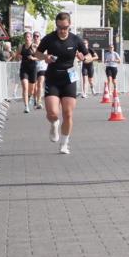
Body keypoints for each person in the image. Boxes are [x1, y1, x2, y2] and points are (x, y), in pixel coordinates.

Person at [33, 12, 92, 154]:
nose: (62, 30)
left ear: (69, 25)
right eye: (59, 27)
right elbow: (37, 53)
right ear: (56, 25)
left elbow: (90, 57)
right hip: (53, 78)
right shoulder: (49, 38)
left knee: (68, 113)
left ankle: (64, 144)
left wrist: (84, 58)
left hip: (69, 79)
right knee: (53, 113)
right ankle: (54, 124)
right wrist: (45, 57)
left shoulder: (75, 39)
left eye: (65, 27)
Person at [17, 31, 38, 112]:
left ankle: (29, 97)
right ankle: (26, 106)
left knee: (31, 90)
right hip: (24, 69)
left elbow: (40, 57)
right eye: (25, 37)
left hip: (33, 68)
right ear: (24, 38)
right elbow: (17, 56)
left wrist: (33, 58)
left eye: (28, 37)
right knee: (25, 87)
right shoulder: (21, 46)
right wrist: (18, 56)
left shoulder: (34, 46)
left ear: (31, 38)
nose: (27, 38)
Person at [33, 32, 46, 109]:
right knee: (34, 86)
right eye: (34, 36)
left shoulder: (43, 45)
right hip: (33, 67)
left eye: (37, 36)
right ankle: (35, 99)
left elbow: (44, 55)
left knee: (40, 84)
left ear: (40, 37)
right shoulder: (31, 45)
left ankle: (39, 101)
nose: (36, 38)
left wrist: (37, 47)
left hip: (42, 67)